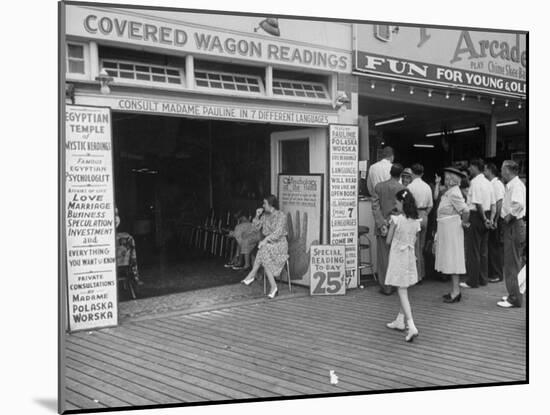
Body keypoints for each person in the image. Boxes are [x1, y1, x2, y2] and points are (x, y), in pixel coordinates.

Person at [385, 189, 422, 342]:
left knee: (401, 291)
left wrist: (387, 230)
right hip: (409, 256)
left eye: (397, 202)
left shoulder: (396, 220)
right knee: (404, 287)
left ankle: (411, 325)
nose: (395, 204)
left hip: (398, 256)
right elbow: (415, 241)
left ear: (402, 203)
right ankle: (400, 320)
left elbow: (388, 241)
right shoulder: (416, 222)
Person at [241, 195, 289, 299]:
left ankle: (252, 273)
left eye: (264, 203)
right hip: (268, 245)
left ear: (271, 205)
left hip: (280, 245)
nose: (262, 206)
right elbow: (255, 228)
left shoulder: (281, 216)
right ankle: (273, 287)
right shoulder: (264, 216)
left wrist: (265, 240)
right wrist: (257, 216)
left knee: (263, 249)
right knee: (264, 251)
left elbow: (278, 233)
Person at [435, 168, 470, 303]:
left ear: (451, 179)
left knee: (453, 259)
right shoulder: (450, 192)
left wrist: (464, 223)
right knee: (450, 259)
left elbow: (465, 210)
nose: (445, 179)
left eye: (446, 177)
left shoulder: (454, 193)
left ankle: (456, 292)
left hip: (452, 229)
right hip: (447, 229)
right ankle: (454, 290)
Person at [372, 163, 406, 295]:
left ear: (390, 172)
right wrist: (391, 221)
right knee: (396, 256)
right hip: (397, 226)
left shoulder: (379, 187)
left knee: (383, 257)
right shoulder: (403, 188)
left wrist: (382, 224)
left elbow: (375, 207)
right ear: (400, 175)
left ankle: (386, 287)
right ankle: (396, 284)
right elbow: (403, 209)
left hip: (382, 227)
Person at [460, 159, 494, 289]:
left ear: (475, 167)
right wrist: (489, 218)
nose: (469, 169)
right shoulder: (488, 182)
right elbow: (492, 202)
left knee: (473, 250)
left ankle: (472, 281)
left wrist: (483, 218)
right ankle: (483, 279)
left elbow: (477, 202)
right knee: (483, 250)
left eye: (471, 167)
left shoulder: (474, 182)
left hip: (477, 216)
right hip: (488, 213)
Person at [497, 161, 526, 308]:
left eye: (502, 169)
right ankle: (513, 293)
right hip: (513, 226)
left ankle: (515, 298)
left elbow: (519, 204)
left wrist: (508, 217)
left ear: (508, 170)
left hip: (513, 225)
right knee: (512, 262)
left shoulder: (516, 185)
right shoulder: (514, 184)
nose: (501, 171)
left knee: (512, 263)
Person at [407, 163, 433, 281]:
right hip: (424, 215)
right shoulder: (427, 186)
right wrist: (425, 214)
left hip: (414, 215)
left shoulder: (410, 187)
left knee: (414, 247)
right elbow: (431, 205)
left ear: (412, 172)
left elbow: (407, 205)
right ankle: (422, 273)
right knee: (421, 246)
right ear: (422, 174)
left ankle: (417, 275)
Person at [484, 162, 506, 283]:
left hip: (497, 219)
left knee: (494, 247)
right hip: (495, 218)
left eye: (485, 170)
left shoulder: (496, 184)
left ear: (489, 170)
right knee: (492, 246)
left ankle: (497, 274)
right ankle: (493, 272)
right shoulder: (492, 184)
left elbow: (499, 203)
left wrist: (495, 220)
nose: (484, 172)